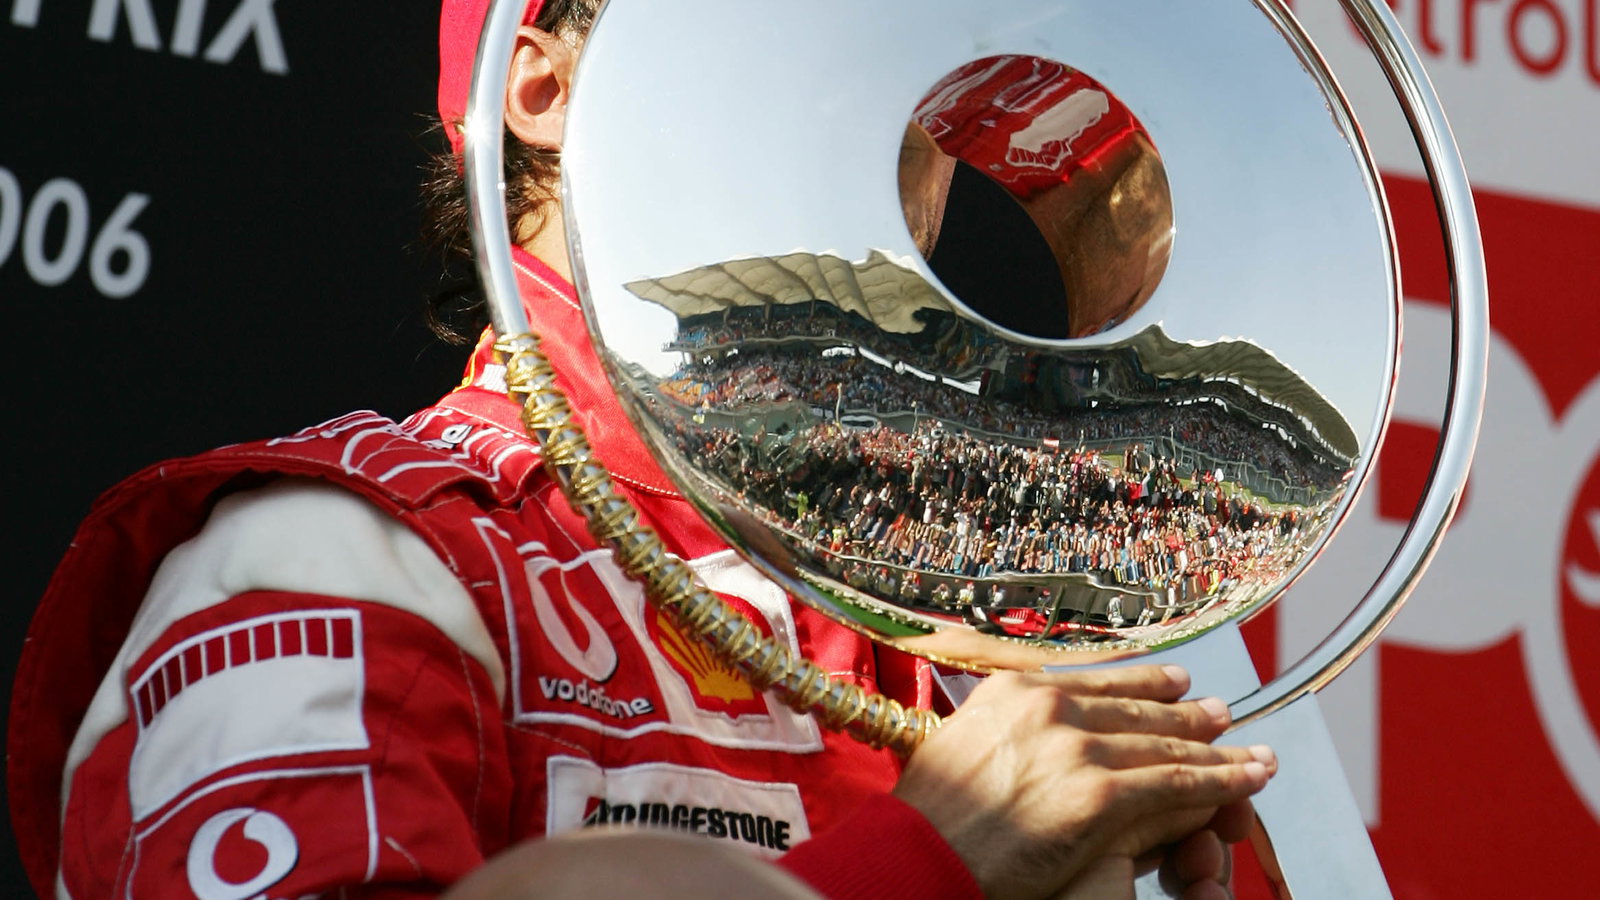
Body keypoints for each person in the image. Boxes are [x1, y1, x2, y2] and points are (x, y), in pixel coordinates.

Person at [7, 3, 1275, 899]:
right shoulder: (339, 555)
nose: (865, 59)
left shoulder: (1038, 605)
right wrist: (931, 862)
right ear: (542, 90)